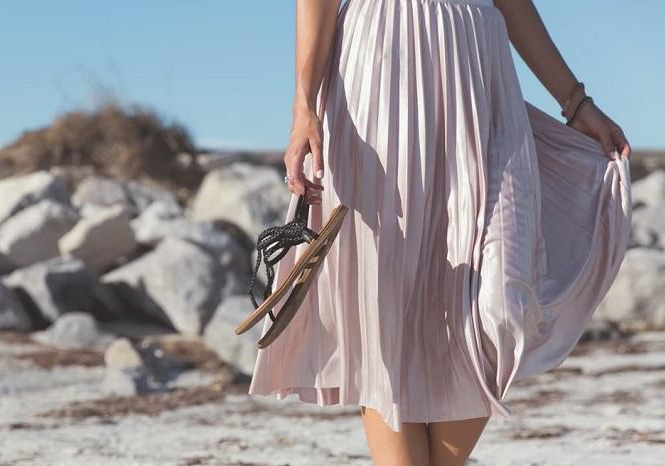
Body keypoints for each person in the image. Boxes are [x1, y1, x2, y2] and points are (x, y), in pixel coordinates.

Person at [248, 1, 632, 465]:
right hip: (379, 77)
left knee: (504, 302)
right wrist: (304, 106)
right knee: (385, 316)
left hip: (483, 88)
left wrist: (575, 100)